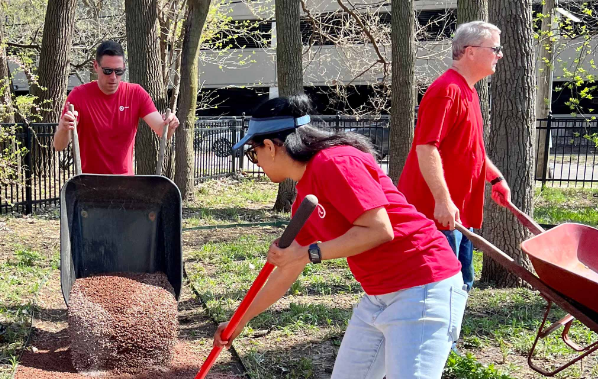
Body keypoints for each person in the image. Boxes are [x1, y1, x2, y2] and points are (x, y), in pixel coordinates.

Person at [213, 95, 468, 379]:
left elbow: (379, 230)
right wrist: (240, 320)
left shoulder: (336, 162)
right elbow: (285, 271)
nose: (256, 161)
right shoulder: (305, 200)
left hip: (422, 286)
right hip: (378, 296)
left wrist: (309, 252)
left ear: (271, 147)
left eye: (253, 152)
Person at [397, 21, 511, 292]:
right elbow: (426, 148)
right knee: (439, 292)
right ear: (470, 51)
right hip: (438, 217)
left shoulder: (468, 91)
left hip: (458, 217)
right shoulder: (446, 91)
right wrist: (443, 200)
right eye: (495, 48)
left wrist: (495, 179)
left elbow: (471, 149)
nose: (500, 54)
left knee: (460, 288)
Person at [53, 40, 179, 175]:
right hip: (89, 185)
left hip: (125, 183)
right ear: (96, 66)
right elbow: (59, 146)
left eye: (119, 71)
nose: (113, 77)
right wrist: (64, 128)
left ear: (124, 67)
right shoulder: (78, 95)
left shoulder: (136, 94)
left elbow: (162, 130)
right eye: (107, 71)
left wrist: (170, 124)